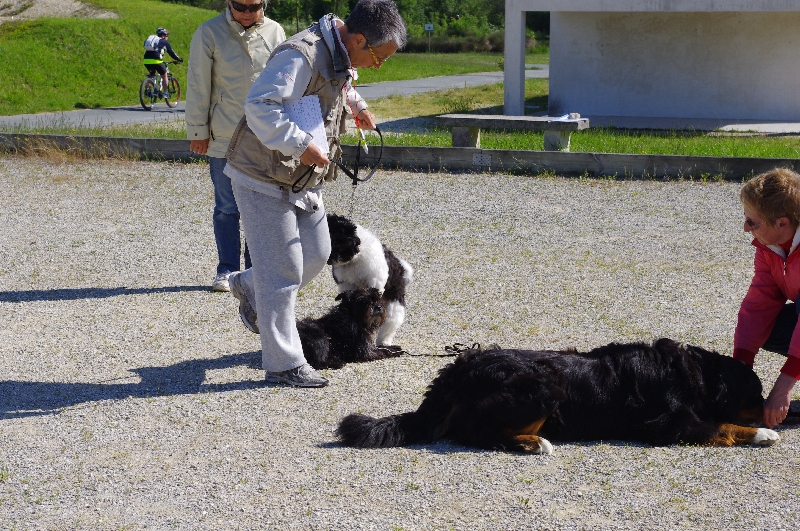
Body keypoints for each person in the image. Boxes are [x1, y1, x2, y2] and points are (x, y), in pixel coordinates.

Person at [224, 0, 406, 387]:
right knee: (283, 271)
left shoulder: (340, 52)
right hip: (260, 173)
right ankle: (282, 363)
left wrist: (358, 106)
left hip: (301, 177)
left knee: (319, 253)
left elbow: (334, 89)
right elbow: (260, 106)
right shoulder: (300, 54)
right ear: (358, 39)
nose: (379, 65)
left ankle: (247, 284)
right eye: (379, 57)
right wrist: (299, 145)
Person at [185, 1, 286, 292]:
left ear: (263, 4)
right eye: (240, 5)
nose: (246, 12)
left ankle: (256, 271)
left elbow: (287, 83)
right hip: (224, 134)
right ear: (229, 3)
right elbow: (198, 84)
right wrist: (198, 130)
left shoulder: (276, 32)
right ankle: (227, 270)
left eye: (253, 6)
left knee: (261, 206)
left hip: (263, 135)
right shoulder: (209, 32)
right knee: (227, 207)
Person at [734, 167, 800, 428]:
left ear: (782, 223)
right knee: (768, 327)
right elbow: (758, 306)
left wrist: (783, 387)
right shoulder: (768, 247)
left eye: (753, 222)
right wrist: (739, 372)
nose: (745, 228)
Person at [143, 28, 183, 98]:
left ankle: (147, 90)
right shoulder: (163, 41)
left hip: (146, 60)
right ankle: (165, 93)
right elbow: (171, 52)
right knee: (164, 75)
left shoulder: (153, 41)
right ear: (164, 35)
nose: (167, 37)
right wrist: (178, 59)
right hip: (156, 61)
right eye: (167, 36)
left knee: (152, 74)